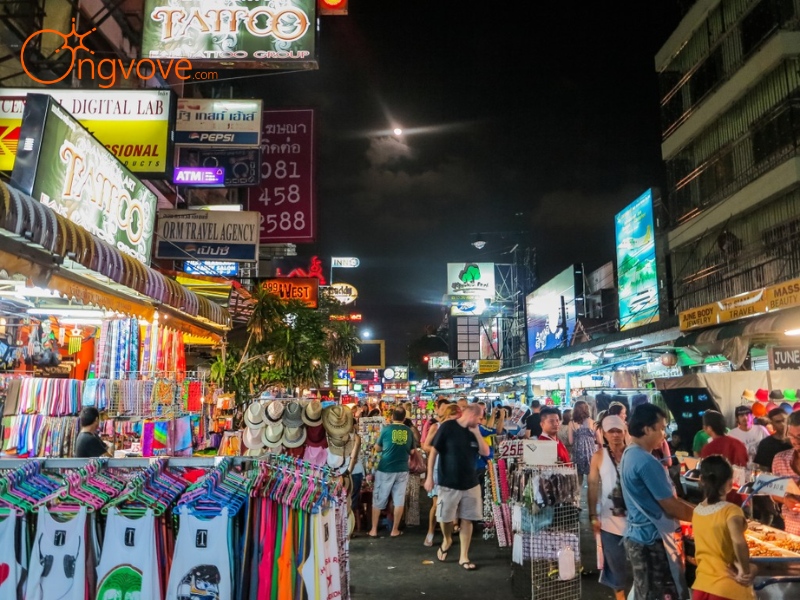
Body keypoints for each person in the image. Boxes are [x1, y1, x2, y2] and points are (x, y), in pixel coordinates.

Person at [620, 403, 694, 600]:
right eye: (661, 428)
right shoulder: (645, 461)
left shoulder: (630, 454)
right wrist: (706, 516)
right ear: (646, 429)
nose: (664, 434)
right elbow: (670, 505)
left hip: (640, 538)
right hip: (652, 542)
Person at [424, 404, 490, 571]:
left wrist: (476, 432)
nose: (481, 420)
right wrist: (429, 476)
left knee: (468, 519)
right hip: (448, 482)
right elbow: (434, 452)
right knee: (444, 518)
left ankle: (464, 556)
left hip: (471, 483)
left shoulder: (476, 431)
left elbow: (485, 452)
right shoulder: (448, 427)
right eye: (480, 417)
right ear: (472, 415)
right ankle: (447, 539)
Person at [691, 455, 757, 600]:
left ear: (701, 480)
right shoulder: (731, 511)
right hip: (727, 589)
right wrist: (746, 571)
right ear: (729, 484)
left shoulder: (697, 512)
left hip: (701, 587)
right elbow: (738, 541)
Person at [588, 414, 629, 600]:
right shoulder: (598, 457)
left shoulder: (633, 454)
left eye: (618, 431)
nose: (615, 435)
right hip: (609, 521)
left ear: (625, 432)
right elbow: (593, 487)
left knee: (640, 566)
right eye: (611, 431)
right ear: (604, 434)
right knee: (615, 566)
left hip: (637, 521)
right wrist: (592, 516)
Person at [368, 407, 417, 538]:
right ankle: (394, 530)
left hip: (386, 469)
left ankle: (373, 530)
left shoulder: (386, 429)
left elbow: (377, 449)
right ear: (404, 418)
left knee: (379, 499)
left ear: (391, 417)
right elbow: (412, 451)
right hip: (402, 469)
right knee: (399, 500)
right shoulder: (409, 431)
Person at [422, 402, 459, 547]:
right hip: (437, 468)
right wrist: (438, 450)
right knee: (436, 503)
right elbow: (425, 445)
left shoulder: (459, 429)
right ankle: (430, 532)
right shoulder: (436, 427)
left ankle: (447, 535)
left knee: (451, 503)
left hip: (453, 469)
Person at [700, 410, 748, 503]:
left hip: (719, 497)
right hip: (740, 493)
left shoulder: (708, 448)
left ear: (709, 428)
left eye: (704, 426)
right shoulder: (738, 443)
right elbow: (745, 464)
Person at [770, 410, 800, 535]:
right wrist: (785, 499)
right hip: (791, 529)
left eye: (799, 436)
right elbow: (773, 492)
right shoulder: (780, 459)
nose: (795, 441)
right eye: (791, 436)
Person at [476, 403, 504, 503]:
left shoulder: (470, 427)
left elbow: (489, 427)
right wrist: (502, 418)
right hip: (481, 465)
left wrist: (493, 415)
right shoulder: (478, 428)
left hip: (474, 465)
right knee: (483, 492)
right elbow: (498, 430)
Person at [754, 407, 791, 472]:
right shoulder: (766, 444)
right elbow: (764, 469)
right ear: (772, 424)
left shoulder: (796, 440)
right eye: (778, 422)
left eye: (784, 420)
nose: (782, 424)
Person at [568, 400, 596, 485]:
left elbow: (570, 441)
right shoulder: (593, 422)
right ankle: (590, 495)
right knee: (591, 476)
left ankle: (578, 496)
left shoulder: (571, 423)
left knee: (578, 478)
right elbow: (599, 439)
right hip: (590, 452)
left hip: (577, 452)